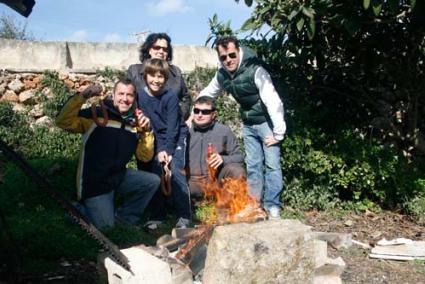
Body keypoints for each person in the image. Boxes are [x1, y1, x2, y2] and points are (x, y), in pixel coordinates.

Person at [197, 36, 286, 219]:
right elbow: (208, 92)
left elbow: (272, 99)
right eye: (223, 57)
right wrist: (194, 111)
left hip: (267, 124)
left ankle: (272, 206)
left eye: (232, 55)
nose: (228, 60)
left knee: (272, 166)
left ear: (238, 51)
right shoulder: (222, 74)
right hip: (248, 124)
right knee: (253, 166)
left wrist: (278, 132)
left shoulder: (256, 69)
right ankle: (253, 205)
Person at [56, 78, 160, 229]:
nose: (125, 99)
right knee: (106, 229)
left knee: (152, 181)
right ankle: (79, 211)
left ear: (134, 98)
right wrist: (83, 96)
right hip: (94, 182)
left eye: (130, 95)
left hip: (118, 176)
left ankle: (125, 220)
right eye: (121, 94)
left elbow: (144, 156)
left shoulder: (135, 123)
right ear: (113, 95)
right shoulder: (96, 115)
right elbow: (63, 121)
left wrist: (147, 131)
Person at [138, 58, 191, 229]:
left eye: (161, 76)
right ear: (146, 76)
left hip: (175, 136)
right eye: (152, 75)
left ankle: (185, 215)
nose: (156, 80)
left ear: (166, 78)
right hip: (156, 137)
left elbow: (173, 128)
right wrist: (160, 150)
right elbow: (150, 126)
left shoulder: (170, 97)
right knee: (155, 173)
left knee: (176, 170)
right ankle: (158, 216)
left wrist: (167, 151)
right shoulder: (141, 97)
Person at [188, 96, 245, 198]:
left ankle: (225, 208)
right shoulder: (186, 131)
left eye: (205, 112)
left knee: (237, 171)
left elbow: (239, 157)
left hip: (215, 181)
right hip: (192, 182)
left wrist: (223, 159)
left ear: (213, 114)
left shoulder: (223, 131)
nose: (200, 115)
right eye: (196, 111)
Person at [127, 32, 192, 121]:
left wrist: (177, 116)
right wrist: (138, 116)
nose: (161, 51)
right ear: (149, 49)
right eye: (157, 47)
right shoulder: (134, 71)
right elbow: (127, 97)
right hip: (143, 126)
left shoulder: (176, 73)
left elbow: (185, 98)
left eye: (165, 49)